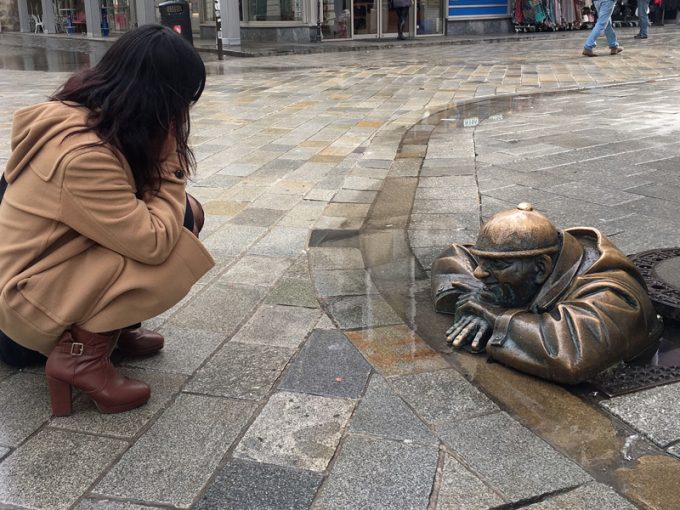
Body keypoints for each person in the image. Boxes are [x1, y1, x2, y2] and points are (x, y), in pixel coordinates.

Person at [0, 24, 214, 416]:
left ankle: (112, 330)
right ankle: (81, 356)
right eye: (182, 100)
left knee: (184, 214)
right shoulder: (83, 154)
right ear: (159, 99)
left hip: (40, 279)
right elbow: (150, 242)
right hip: (24, 318)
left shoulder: (90, 117)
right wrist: (169, 162)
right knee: (172, 245)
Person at [431, 203, 662, 385]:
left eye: (498, 265)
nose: (479, 273)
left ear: (541, 267)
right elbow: (454, 256)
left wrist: (493, 314)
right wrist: (480, 297)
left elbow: (572, 354)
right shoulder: (530, 260)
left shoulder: (612, 294)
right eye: (483, 262)